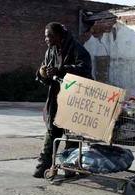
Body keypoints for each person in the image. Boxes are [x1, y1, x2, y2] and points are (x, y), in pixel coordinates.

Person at [33, 22, 92, 178]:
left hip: (74, 99)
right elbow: (47, 77)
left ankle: (69, 167)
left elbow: (85, 70)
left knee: (71, 134)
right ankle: (43, 166)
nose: (46, 38)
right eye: (45, 36)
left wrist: (62, 69)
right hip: (56, 99)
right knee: (52, 132)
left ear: (59, 35)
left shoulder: (77, 49)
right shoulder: (50, 52)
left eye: (49, 35)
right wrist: (42, 74)